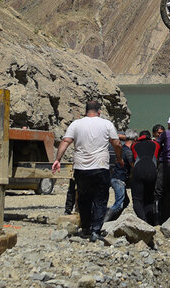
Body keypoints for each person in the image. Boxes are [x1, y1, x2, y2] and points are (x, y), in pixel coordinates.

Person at [52, 100, 121, 241]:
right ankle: (96, 230)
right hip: (101, 167)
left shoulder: (76, 124)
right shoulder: (106, 124)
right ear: (99, 111)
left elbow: (65, 141)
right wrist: (119, 158)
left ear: (85, 111)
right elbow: (117, 143)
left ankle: (86, 229)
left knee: (84, 199)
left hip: (81, 168)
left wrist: (57, 159)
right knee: (100, 199)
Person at [128, 129, 159, 223]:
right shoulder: (156, 144)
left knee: (137, 199)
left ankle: (143, 221)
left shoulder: (134, 145)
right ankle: (150, 222)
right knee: (149, 199)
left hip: (138, 170)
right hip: (152, 170)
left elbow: (133, 158)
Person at [105, 131, 134, 222]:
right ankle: (104, 221)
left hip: (113, 177)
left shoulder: (112, 149)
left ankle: (112, 219)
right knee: (119, 204)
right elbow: (132, 165)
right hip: (118, 178)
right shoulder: (126, 151)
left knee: (125, 201)